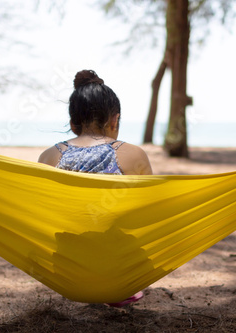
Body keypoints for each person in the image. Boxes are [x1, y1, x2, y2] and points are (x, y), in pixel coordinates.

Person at [38, 70, 152, 307]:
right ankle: (121, 292)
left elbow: (44, 214)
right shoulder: (134, 155)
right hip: (121, 270)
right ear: (114, 120)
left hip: (65, 266)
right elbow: (147, 213)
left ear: (72, 123)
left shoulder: (49, 156)